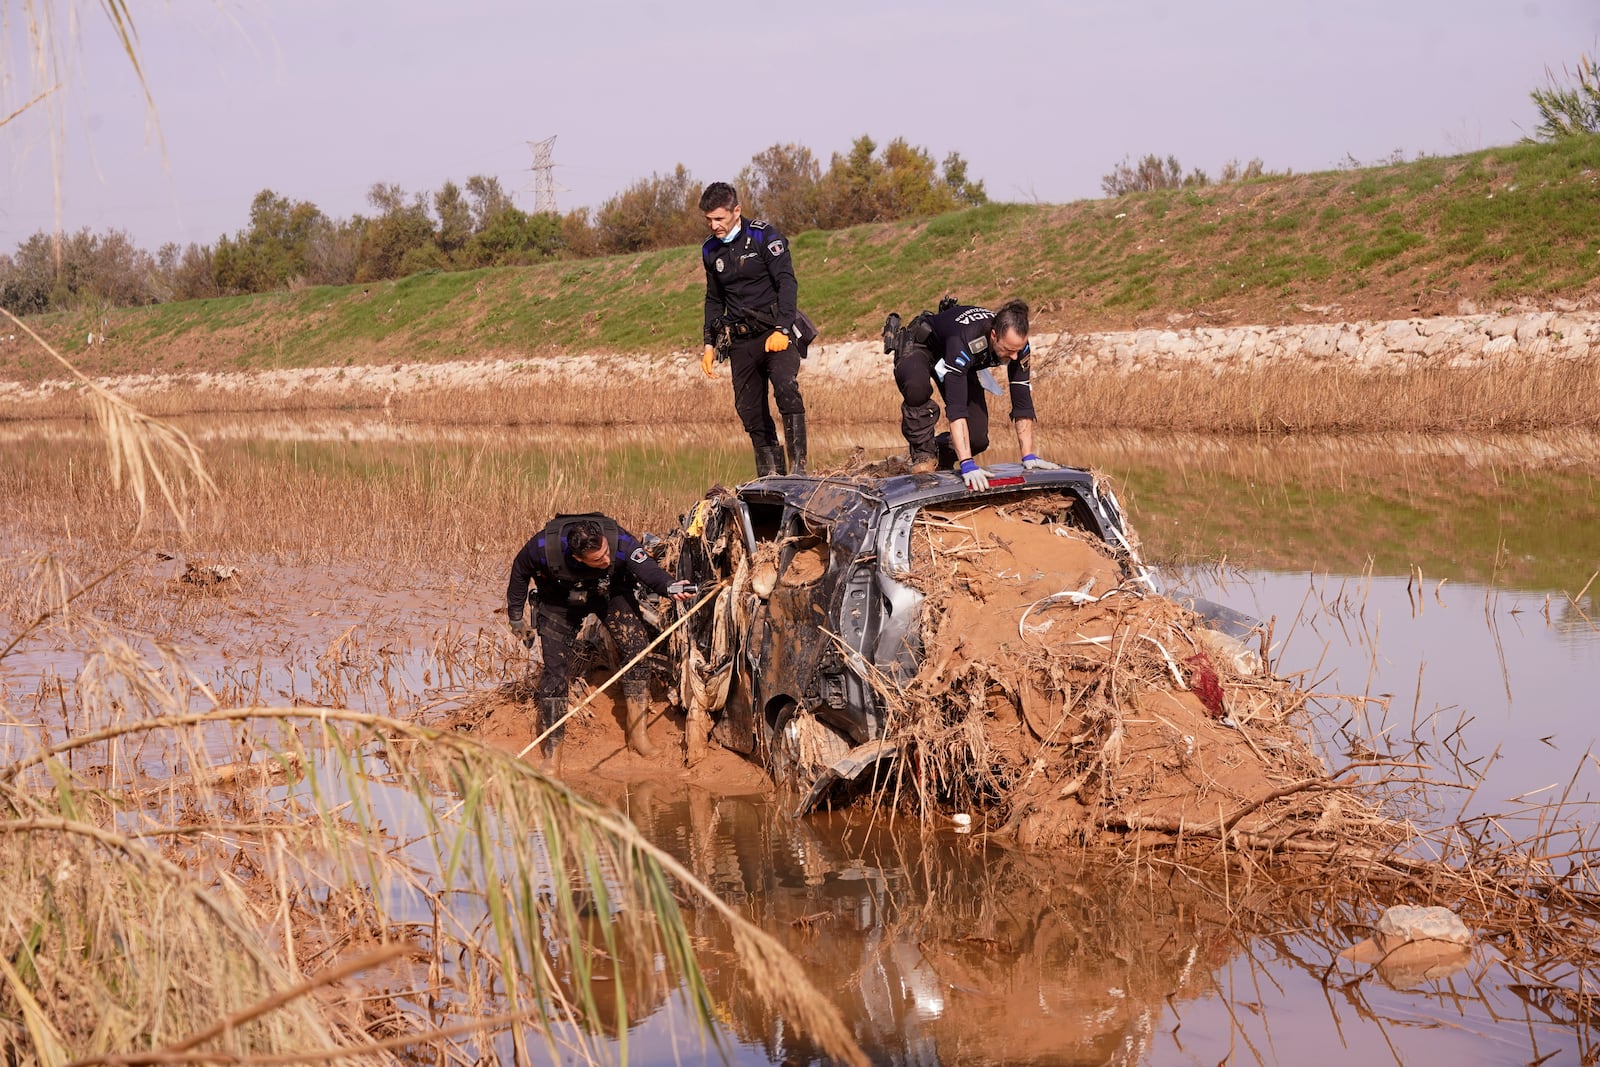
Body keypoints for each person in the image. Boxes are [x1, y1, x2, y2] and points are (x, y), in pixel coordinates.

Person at [505, 514, 693, 758]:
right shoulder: (542, 547)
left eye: (606, 552)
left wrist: (670, 586)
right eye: (598, 559)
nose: (607, 559)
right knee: (555, 672)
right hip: (558, 601)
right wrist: (516, 617)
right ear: (577, 558)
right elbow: (519, 572)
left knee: (637, 650)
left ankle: (638, 736)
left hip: (610, 594)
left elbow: (646, 568)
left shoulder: (619, 541)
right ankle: (553, 755)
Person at [698, 181, 809, 477]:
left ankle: (798, 470)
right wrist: (708, 344)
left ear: (737, 211)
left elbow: (787, 282)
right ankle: (772, 477)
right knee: (749, 410)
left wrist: (783, 329)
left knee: (786, 389)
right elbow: (713, 299)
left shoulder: (764, 237)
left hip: (774, 332)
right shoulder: (710, 250)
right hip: (740, 341)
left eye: (719, 218)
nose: (714, 225)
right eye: (708, 219)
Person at [889, 298, 1062, 489]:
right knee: (916, 388)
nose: (1014, 357)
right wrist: (967, 464)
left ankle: (940, 457)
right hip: (921, 347)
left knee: (977, 439)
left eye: (1017, 351)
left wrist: (1028, 456)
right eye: (1008, 350)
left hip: (962, 359)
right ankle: (924, 455)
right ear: (994, 335)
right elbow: (956, 410)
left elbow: (1022, 401)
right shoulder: (966, 341)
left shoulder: (1018, 347)